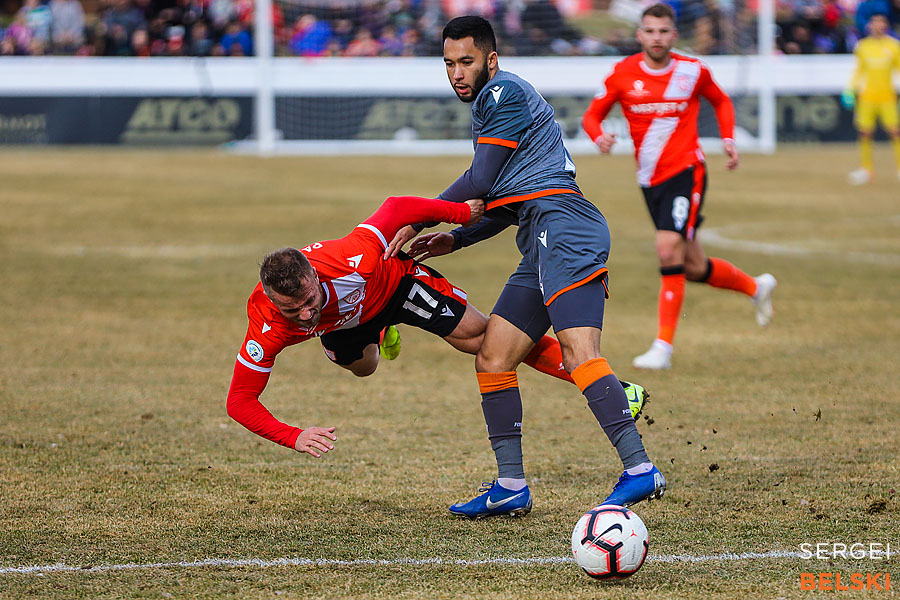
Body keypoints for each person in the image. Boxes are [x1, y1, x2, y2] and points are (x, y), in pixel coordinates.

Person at [386, 16, 666, 518]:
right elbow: (502, 199)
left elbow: (480, 178)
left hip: (563, 227)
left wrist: (416, 214)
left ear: (491, 60)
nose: (457, 73)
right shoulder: (490, 106)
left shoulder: (503, 95)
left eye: (466, 61)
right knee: (494, 356)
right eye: (449, 64)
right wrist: (451, 238)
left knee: (582, 354)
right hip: (540, 235)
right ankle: (511, 486)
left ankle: (640, 470)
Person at [226, 194, 648, 457]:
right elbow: (239, 401)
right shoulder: (266, 324)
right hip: (348, 328)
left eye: (308, 302)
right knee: (365, 367)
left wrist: (460, 213)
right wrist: (292, 435)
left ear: (316, 279)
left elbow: (396, 208)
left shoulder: (349, 259)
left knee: (488, 340)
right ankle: (378, 334)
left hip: (394, 286)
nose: (303, 314)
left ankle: (611, 389)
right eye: (292, 310)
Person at [581, 2, 777, 371]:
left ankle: (662, 349)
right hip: (649, 179)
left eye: (663, 31)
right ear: (640, 35)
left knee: (668, 249)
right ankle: (757, 287)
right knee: (693, 266)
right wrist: (599, 136)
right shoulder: (622, 73)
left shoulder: (692, 71)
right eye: (650, 31)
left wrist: (729, 139)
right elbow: (592, 115)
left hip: (687, 170)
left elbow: (720, 100)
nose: (657, 38)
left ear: (674, 34)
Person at [843, 13, 900, 185]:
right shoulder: (862, 46)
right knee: (865, 133)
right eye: (875, 23)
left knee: (895, 132)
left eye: (881, 23)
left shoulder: (894, 46)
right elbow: (858, 71)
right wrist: (850, 90)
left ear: (886, 26)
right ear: (869, 26)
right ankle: (866, 169)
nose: (878, 26)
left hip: (887, 97)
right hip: (867, 97)